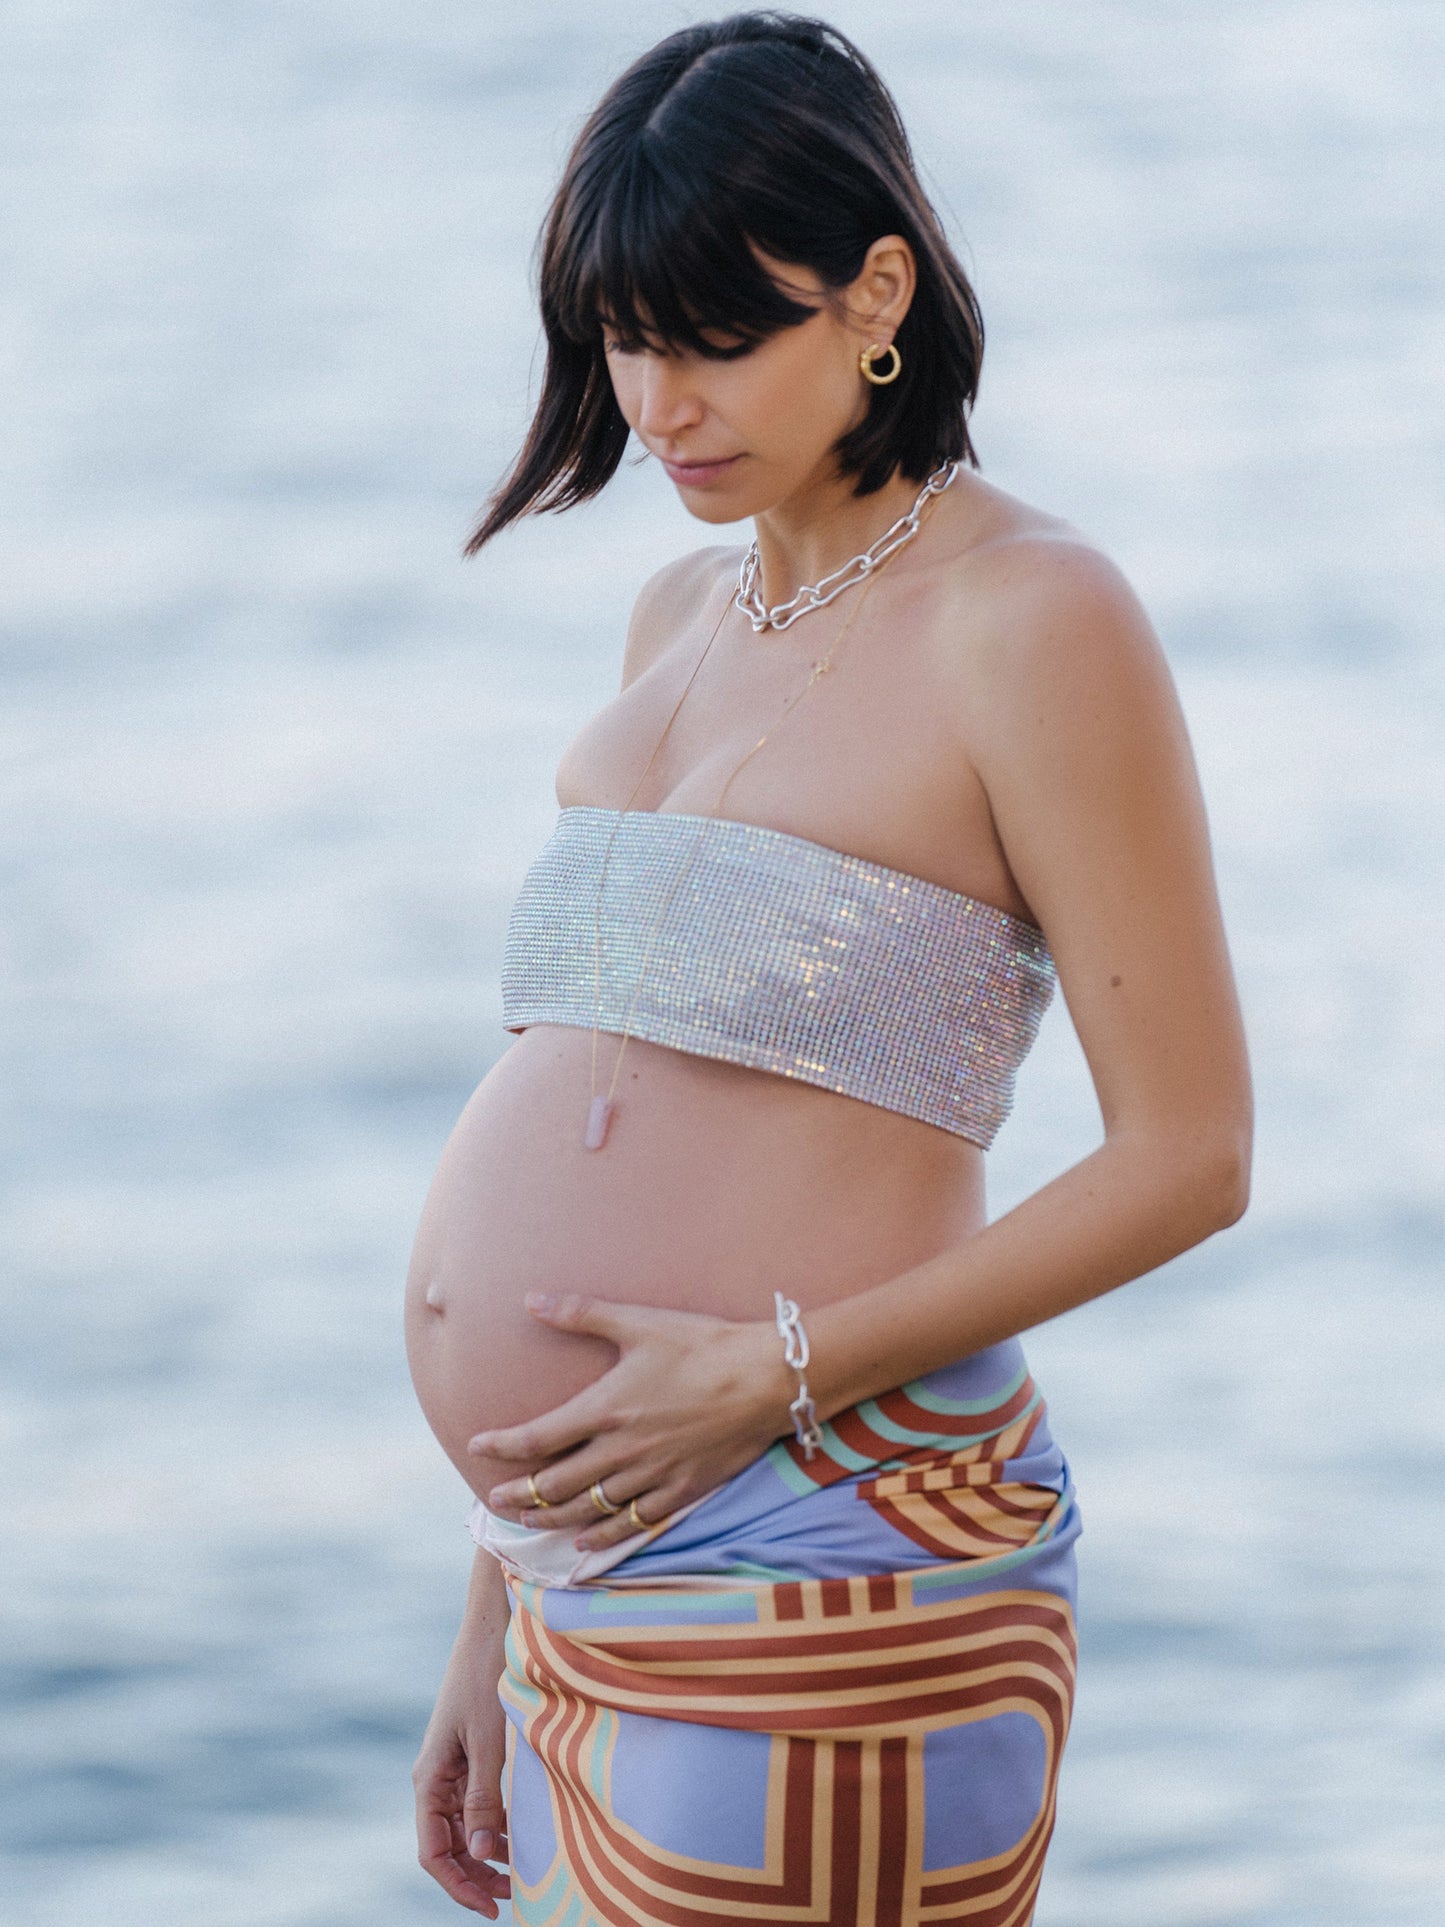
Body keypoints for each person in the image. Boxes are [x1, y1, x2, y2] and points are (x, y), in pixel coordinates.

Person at [405, 13, 1252, 1924]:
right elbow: (606, 1104)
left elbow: (1190, 1152)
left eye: (721, 336)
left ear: (877, 289)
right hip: (588, 1571)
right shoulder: (673, 615)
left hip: (833, 1545)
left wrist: (769, 1376)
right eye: (628, 340)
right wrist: (496, 1588)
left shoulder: (1033, 616)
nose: (660, 402)